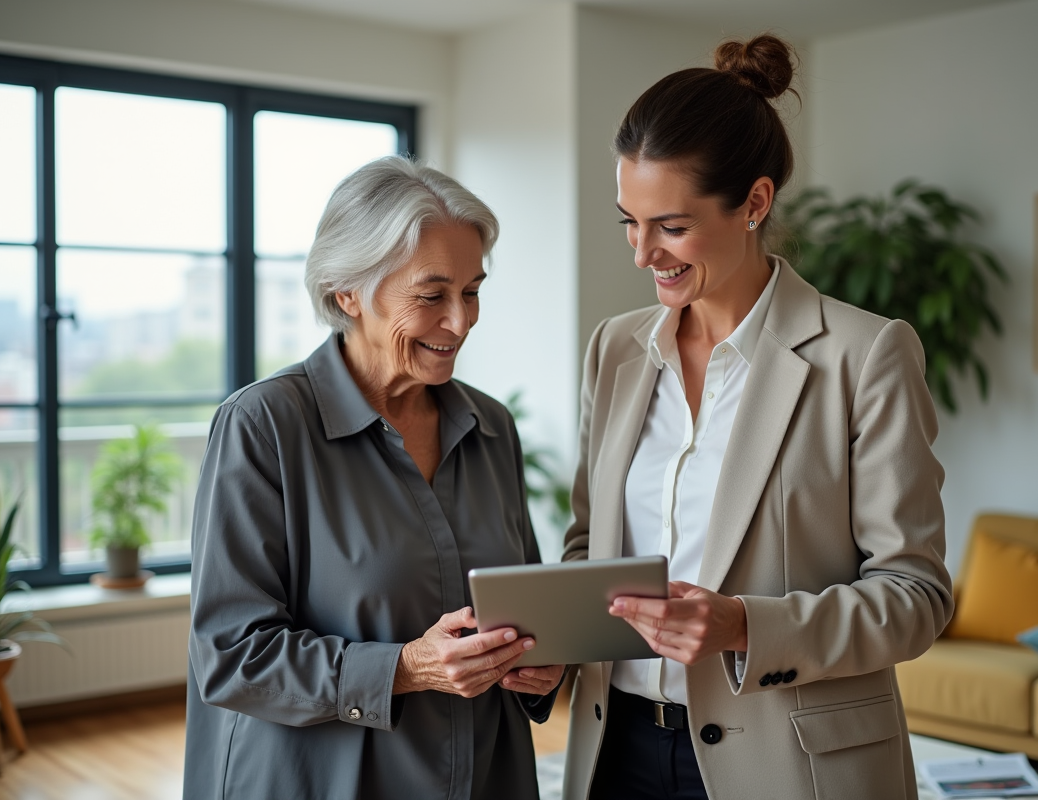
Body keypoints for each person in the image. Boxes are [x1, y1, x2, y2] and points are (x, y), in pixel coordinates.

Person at [560, 34, 953, 800]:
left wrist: (744, 626)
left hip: (789, 764)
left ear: (755, 202)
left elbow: (916, 597)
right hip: (615, 749)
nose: (643, 254)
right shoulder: (615, 349)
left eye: (671, 226)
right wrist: (552, 641)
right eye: (628, 222)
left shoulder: (865, 354)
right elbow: (588, 547)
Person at [183, 156, 564, 800]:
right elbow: (230, 655)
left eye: (472, 291)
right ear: (347, 293)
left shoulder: (492, 427)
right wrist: (405, 668)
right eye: (431, 295)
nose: (461, 320)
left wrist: (540, 665)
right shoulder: (264, 424)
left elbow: (520, 607)